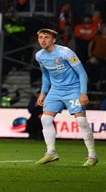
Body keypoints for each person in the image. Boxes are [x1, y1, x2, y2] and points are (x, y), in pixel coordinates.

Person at [35, 28, 98, 166]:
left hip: (73, 90)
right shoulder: (39, 55)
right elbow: (46, 74)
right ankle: (51, 153)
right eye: (40, 37)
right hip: (55, 91)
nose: (43, 40)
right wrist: (43, 92)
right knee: (45, 119)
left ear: (53, 40)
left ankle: (92, 156)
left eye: (46, 37)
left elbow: (82, 73)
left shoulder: (65, 52)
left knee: (81, 121)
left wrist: (83, 93)